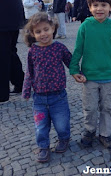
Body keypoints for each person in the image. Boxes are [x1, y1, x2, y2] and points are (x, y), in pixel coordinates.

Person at [70, 0, 111, 151]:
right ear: (89, 7)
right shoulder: (85, 27)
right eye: (95, 5)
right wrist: (74, 70)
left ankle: (105, 134)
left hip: (109, 77)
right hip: (90, 77)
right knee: (90, 107)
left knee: (107, 108)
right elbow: (78, 50)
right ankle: (89, 131)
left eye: (103, 5)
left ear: (110, 7)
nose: (99, 9)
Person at [22, 12, 72, 162]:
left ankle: (64, 139)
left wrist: (79, 74)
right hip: (39, 99)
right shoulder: (33, 51)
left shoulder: (59, 47)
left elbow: (71, 62)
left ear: (53, 28)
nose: (43, 34)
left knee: (62, 123)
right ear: (32, 34)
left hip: (59, 96)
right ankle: (43, 147)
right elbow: (29, 72)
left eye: (46, 29)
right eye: (38, 31)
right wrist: (26, 91)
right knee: (41, 126)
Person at [0, 0, 25, 102]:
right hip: (7, 16)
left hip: (5, 17)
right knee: (8, 52)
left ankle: (2, 93)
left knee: (3, 55)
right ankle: (20, 82)